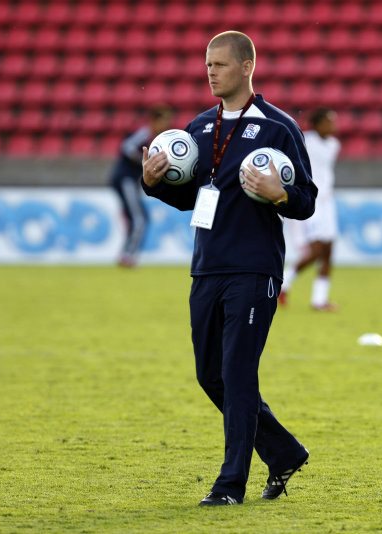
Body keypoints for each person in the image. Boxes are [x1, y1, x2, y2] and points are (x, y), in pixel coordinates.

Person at [141, 31, 317, 506]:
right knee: (211, 375)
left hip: (254, 269)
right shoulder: (199, 128)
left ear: (246, 67)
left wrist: (279, 192)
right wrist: (153, 183)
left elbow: (306, 200)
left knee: (239, 372)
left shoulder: (279, 127)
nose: (211, 72)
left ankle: (229, 485)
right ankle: (283, 452)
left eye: (219, 64)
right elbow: (190, 196)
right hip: (207, 266)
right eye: (207, 65)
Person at [280, 108, 340, 311]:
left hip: (327, 203)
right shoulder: (305, 141)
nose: (333, 126)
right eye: (329, 122)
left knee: (328, 251)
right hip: (311, 201)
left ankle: (319, 300)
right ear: (318, 124)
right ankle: (283, 284)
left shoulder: (333, 145)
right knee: (315, 251)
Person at [110, 104, 174, 267]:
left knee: (138, 217)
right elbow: (126, 146)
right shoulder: (145, 133)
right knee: (139, 218)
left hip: (129, 180)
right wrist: (143, 162)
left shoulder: (154, 137)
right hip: (125, 179)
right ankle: (127, 256)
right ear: (154, 120)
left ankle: (127, 254)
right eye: (163, 120)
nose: (165, 125)